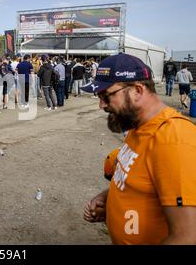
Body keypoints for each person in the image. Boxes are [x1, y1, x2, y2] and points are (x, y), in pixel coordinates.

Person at [82, 53, 196, 245]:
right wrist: (108, 198)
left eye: (106, 96)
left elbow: (187, 237)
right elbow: (138, 181)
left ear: (137, 91)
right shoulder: (138, 126)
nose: (101, 105)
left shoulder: (174, 140)